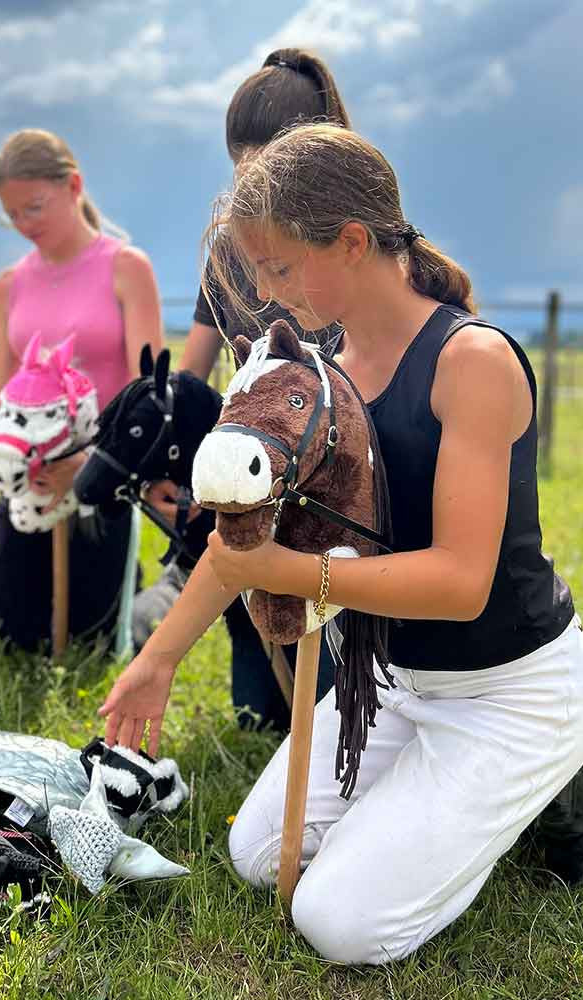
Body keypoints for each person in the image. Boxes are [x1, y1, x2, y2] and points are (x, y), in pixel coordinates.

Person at [99, 124, 583, 964]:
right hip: (394, 681)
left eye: (279, 266)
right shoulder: (307, 365)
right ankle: (432, 817)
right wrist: (158, 661)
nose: (262, 293)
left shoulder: (470, 361)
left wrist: (291, 573)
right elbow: (242, 536)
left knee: (339, 924)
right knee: (261, 857)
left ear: (355, 242)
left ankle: (542, 780)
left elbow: (459, 583)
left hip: (509, 693)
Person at [134, 48, 349, 729]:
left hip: (331, 491)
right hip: (249, 474)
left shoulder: (348, 252)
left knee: (328, 706)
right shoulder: (229, 246)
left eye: (265, 167)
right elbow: (190, 376)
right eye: (238, 166)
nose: (248, 185)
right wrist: (165, 466)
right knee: (259, 716)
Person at [0, 129, 163, 651]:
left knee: (92, 648)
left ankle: (147, 595)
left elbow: (150, 394)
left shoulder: (126, 268)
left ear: (74, 185)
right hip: (28, 488)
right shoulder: (10, 284)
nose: (24, 225)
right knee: (12, 639)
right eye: (12, 214)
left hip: (98, 489)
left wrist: (91, 464)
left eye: (35, 207)